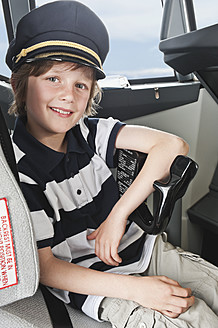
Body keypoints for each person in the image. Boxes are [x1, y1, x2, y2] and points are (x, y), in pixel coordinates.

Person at [6, 1, 218, 327]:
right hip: (93, 281)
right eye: (53, 79)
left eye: (81, 85)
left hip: (143, 249)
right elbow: (45, 267)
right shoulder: (20, 171)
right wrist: (137, 289)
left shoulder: (92, 133)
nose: (68, 96)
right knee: (196, 318)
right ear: (20, 84)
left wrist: (118, 216)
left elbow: (172, 145)